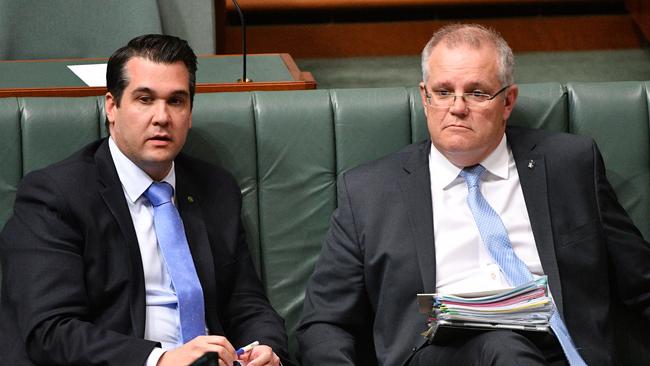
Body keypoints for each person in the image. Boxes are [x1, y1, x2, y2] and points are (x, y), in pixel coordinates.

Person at [297, 24, 650, 366]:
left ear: (508, 101)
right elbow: (324, 322)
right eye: (443, 91)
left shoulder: (570, 166)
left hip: (562, 351)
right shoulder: (370, 191)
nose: (458, 107)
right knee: (503, 346)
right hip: (441, 354)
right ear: (424, 97)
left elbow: (641, 281)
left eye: (477, 92)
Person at [0, 34, 291, 366]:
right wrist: (160, 360)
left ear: (190, 112)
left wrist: (266, 348)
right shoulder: (55, 196)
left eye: (176, 101)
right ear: (112, 106)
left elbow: (246, 302)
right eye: (145, 99)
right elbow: (50, 331)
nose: (162, 117)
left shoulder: (216, 189)